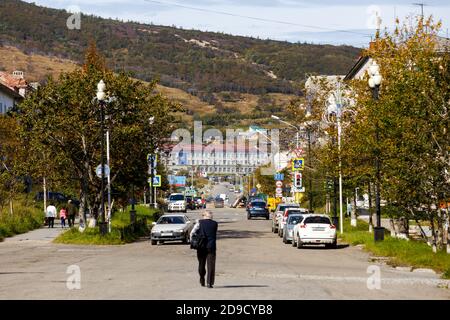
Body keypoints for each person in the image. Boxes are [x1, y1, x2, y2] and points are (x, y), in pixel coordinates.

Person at [190, 211, 218, 288]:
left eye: (203, 215)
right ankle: (209, 283)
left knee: (201, 264)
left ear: (205, 216)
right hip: (211, 247)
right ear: (211, 216)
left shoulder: (199, 222)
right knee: (211, 265)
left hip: (201, 246)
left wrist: (192, 241)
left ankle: (202, 278)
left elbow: (192, 233)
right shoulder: (215, 223)